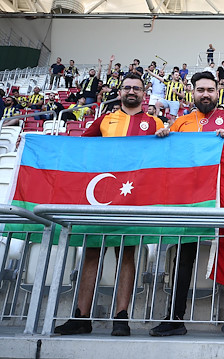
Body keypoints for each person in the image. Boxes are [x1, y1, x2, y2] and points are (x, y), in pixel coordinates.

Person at [54, 74, 164, 337]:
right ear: (120, 91)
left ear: (143, 93)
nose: (131, 91)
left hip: (133, 197)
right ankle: (81, 317)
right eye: (127, 87)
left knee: (127, 254)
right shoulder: (105, 119)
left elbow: (162, 157)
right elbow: (79, 147)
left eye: (136, 88)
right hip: (102, 194)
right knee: (92, 253)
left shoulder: (155, 122)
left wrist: (164, 137)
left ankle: (121, 317)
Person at [151, 71, 224, 339]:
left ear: (217, 92)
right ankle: (174, 318)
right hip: (190, 200)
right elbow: (165, 158)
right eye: (201, 90)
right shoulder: (181, 122)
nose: (206, 94)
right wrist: (163, 137)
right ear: (193, 92)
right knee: (183, 259)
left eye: (210, 90)